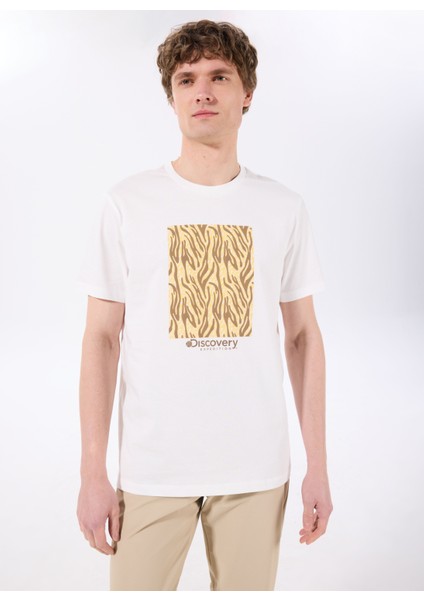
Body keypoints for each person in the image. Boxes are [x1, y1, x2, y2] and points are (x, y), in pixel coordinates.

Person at [76, 18, 333, 591]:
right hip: (152, 468)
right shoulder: (127, 203)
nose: (203, 92)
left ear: (247, 94)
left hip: (255, 469)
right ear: (172, 97)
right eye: (187, 79)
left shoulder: (282, 207)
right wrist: (94, 471)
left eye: (220, 76)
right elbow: (101, 338)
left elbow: (303, 337)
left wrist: (317, 466)